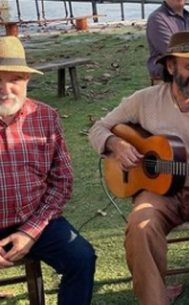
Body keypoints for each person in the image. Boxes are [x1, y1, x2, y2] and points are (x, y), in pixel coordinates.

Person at [89, 31, 189, 305]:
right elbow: (98, 128)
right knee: (140, 226)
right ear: (170, 66)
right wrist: (116, 144)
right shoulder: (145, 100)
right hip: (158, 192)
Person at [0, 36, 96, 305]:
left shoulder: (45, 117)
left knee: (82, 258)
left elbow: (61, 182)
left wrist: (30, 232)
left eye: (15, 80)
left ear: (27, 81)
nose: (6, 89)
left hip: (35, 219)